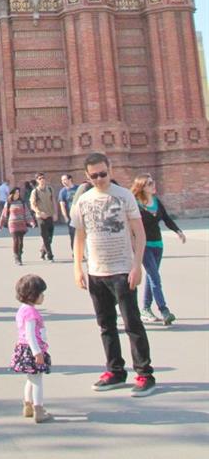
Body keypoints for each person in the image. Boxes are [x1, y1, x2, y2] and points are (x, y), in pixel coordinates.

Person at [72, 153, 156, 397]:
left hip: (122, 269)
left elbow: (139, 234)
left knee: (132, 323)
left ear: (111, 169)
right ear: (87, 176)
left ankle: (144, 373)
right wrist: (77, 267)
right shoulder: (83, 200)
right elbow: (79, 237)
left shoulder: (124, 196)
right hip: (96, 271)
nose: (99, 179)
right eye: (94, 176)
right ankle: (115, 371)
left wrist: (137, 266)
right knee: (105, 324)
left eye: (103, 174)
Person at [131, 174, 186, 325]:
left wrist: (178, 231)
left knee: (151, 276)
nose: (153, 184)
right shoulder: (135, 204)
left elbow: (167, 219)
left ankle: (146, 309)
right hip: (144, 245)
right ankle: (164, 310)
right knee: (155, 278)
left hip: (158, 245)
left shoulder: (156, 201)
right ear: (142, 187)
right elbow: (131, 226)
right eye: (149, 183)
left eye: (153, 182)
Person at [11, 274, 53, 423]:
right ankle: (38, 408)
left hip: (24, 348)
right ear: (32, 295)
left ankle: (27, 405)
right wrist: (37, 352)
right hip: (32, 349)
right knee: (37, 380)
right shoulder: (30, 312)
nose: (43, 296)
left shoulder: (23, 309)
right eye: (41, 293)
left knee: (30, 379)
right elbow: (30, 335)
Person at [0, 186, 34, 265]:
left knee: (21, 242)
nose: (18, 194)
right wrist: (0, 224)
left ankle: (20, 253)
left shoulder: (22, 202)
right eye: (16, 193)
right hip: (13, 224)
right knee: (15, 240)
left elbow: (27, 213)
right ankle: (16, 257)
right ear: (12, 194)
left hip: (21, 224)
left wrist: (31, 222)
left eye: (18, 193)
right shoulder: (9, 203)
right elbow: (4, 214)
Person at [30, 173, 58, 261]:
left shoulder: (50, 189)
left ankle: (43, 250)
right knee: (45, 236)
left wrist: (55, 213)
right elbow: (32, 205)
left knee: (50, 237)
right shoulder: (35, 191)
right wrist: (39, 212)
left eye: (43, 178)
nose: (42, 179)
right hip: (40, 217)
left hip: (49, 215)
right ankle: (50, 256)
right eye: (39, 178)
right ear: (37, 180)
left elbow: (53, 201)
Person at [58, 173, 79, 250]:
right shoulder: (63, 192)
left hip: (80, 215)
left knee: (82, 235)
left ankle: (82, 251)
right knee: (73, 235)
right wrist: (65, 217)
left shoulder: (78, 189)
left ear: (70, 179)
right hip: (71, 217)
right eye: (62, 180)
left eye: (64, 179)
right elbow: (62, 205)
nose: (63, 181)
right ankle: (75, 252)